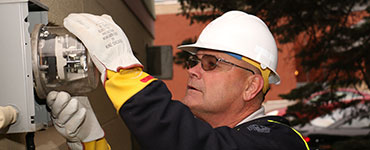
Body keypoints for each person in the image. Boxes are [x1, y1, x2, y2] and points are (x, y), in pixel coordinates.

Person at [47, 11, 310, 150]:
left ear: (251, 86)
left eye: (211, 63)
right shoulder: (195, 135)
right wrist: (92, 142)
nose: (193, 70)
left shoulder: (283, 142)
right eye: (195, 61)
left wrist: (125, 73)